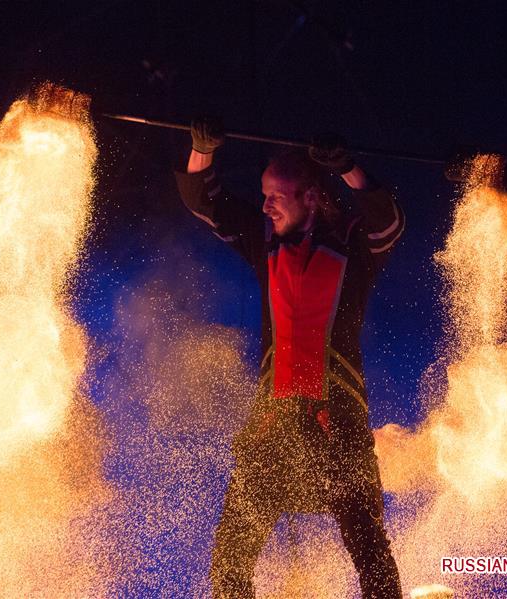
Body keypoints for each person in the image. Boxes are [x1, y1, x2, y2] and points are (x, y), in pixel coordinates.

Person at [173, 117, 404, 599]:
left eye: (276, 195)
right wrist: (203, 150)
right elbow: (203, 199)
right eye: (264, 194)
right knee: (231, 557)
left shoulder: (353, 248)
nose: (265, 205)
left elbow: (388, 221)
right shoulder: (265, 241)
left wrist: (346, 167)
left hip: (337, 424)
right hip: (273, 426)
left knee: (368, 547)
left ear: (312, 197)